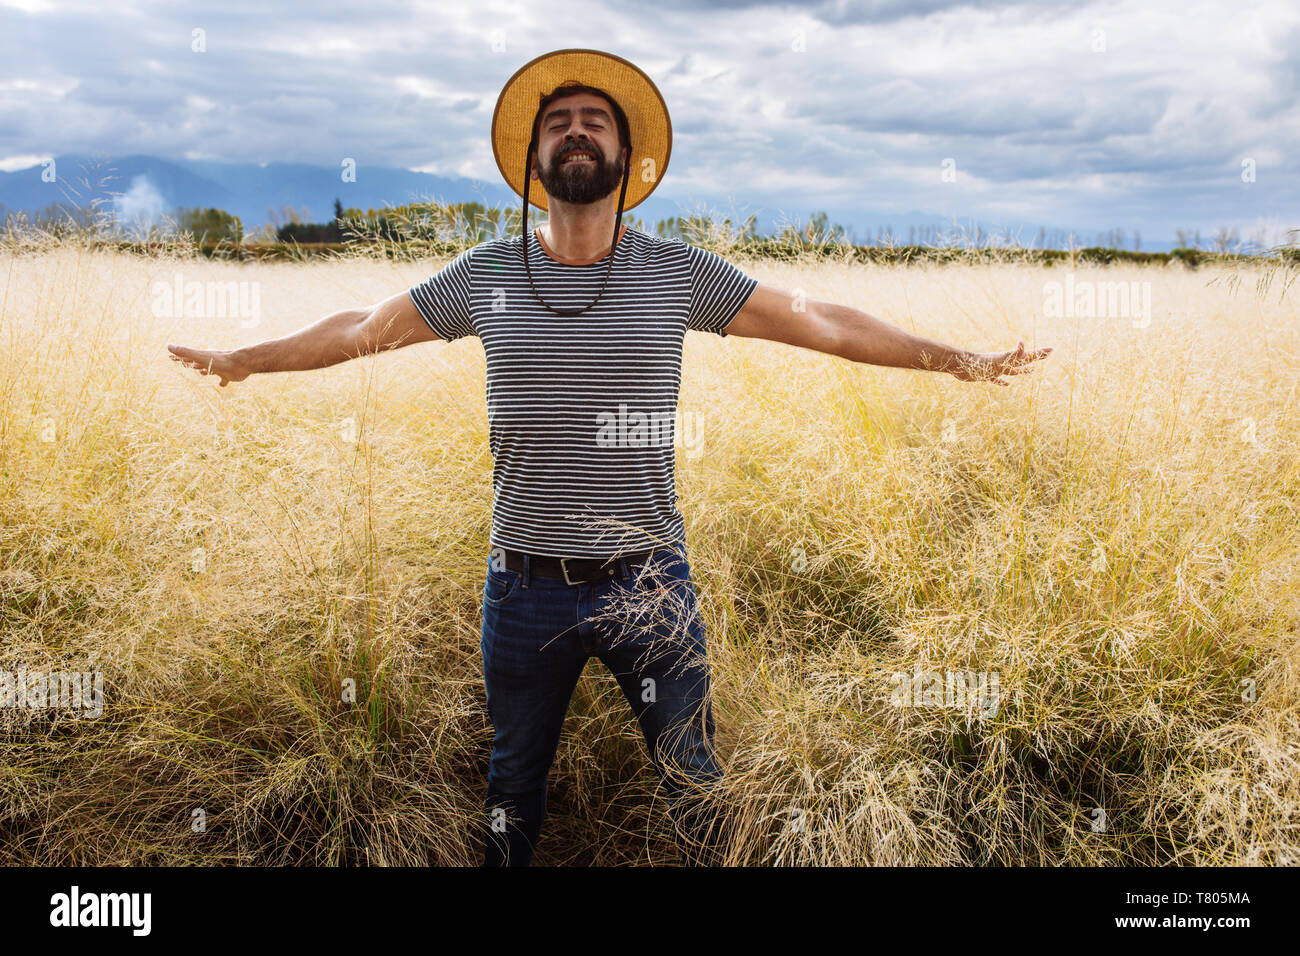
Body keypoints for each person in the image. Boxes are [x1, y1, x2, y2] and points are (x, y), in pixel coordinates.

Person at [166, 48, 1052, 867]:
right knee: (512, 789)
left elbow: (816, 319)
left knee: (696, 783)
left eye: (596, 121)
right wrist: (245, 360)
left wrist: (959, 361)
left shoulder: (677, 274)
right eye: (559, 122)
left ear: (628, 160)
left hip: (648, 579)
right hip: (522, 585)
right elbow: (360, 327)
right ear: (534, 158)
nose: (577, 130)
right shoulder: (484, 275)